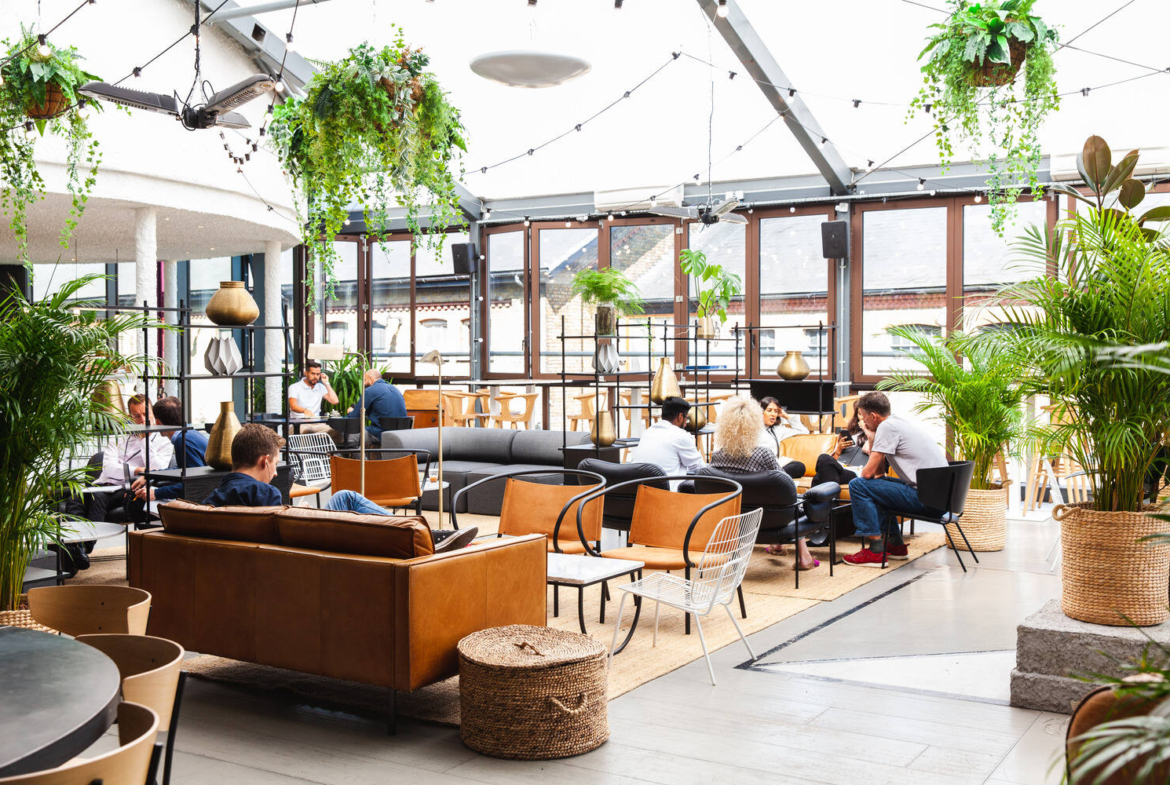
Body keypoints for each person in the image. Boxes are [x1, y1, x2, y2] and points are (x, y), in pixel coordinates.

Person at [201, 424, 477, 552]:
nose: (275, 472)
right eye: (274, 463)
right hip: (309, 544)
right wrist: (299, 515)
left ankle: (427, 533)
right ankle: (424, 534)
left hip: (290, 539)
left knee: (344, 496)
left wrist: (292, 512)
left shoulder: (212, 500)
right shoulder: (265, 493)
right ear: (264, 461)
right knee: (348, 497)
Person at [710, 396, 817, 569]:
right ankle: (804, 556)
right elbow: (786, 487)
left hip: (733, 520)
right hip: (772, 518)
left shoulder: (717, 457)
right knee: (793, 502)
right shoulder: (763, 454)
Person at [843, 391, 948, 566]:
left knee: (857, 485)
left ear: (873, 416)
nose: (863, 422)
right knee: (877, 485)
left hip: (927, 500)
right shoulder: (897, 422)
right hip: (938, 498)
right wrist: (871, 438)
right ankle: (895, 544)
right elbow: (879, 475)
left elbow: (867, 475)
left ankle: (875, 552)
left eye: (863, 416)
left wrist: (871, 437)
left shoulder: (887, 428)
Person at [87, 394, 174, 523]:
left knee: (96, 498)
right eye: (137, 416)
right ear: (130, 418)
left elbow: (158, 469)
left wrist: (144, 440)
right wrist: (138, 470)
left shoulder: (164, 442)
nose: (142, 420)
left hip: (126, 489)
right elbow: (109, 468)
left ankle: (90, 537)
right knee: (75, 498)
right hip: (102, 485)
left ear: (153, 414)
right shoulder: (119, 438)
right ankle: (71, 536)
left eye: (146, 414)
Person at [129, 396, 208, 512]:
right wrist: (150, 475)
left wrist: (156, 493)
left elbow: (193, 483)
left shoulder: (183, 441)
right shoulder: (189, 434)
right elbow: (184, 472)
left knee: (136, 504)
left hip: (202, 502)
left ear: (158, 422)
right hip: (204, 495)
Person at [629, 397, 705, 486]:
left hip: (640, 490)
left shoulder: (648, 432)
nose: (685, 424)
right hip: (666, 493)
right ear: (680, 417)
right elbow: (700, 469)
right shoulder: (680, 435)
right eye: (686, 419)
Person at [345, 369, 407, 447]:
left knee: (351, 435)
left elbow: (354, 417)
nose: (364, 383)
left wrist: (350, 411)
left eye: (365, 380)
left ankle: (358, 456)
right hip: (399, 434)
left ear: (371, 379)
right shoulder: (395, 389)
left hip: (380, 434)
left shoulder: (369, 391)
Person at [758, 397, 808, 479]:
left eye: (776, 411)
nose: (773, 414)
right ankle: (774, 477)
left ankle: (774, 477)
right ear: (761, 412)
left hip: (775, 467)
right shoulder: (754, 429)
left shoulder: (778, 430)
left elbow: (804, 431)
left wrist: (785, 416)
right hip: (759, 468)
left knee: (799, 466)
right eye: (769, 410)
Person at [287, 361, 338, 434]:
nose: (315, 377)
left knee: (336, 432)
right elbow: (293, 406)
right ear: (306, 373)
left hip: (316, 424)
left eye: (318, 374)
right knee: (307, 432)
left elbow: (335, 401)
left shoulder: (320, 387)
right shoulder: (294, 387)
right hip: (298, 424)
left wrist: (327, 383)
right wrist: (305, 410)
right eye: (313, 374)